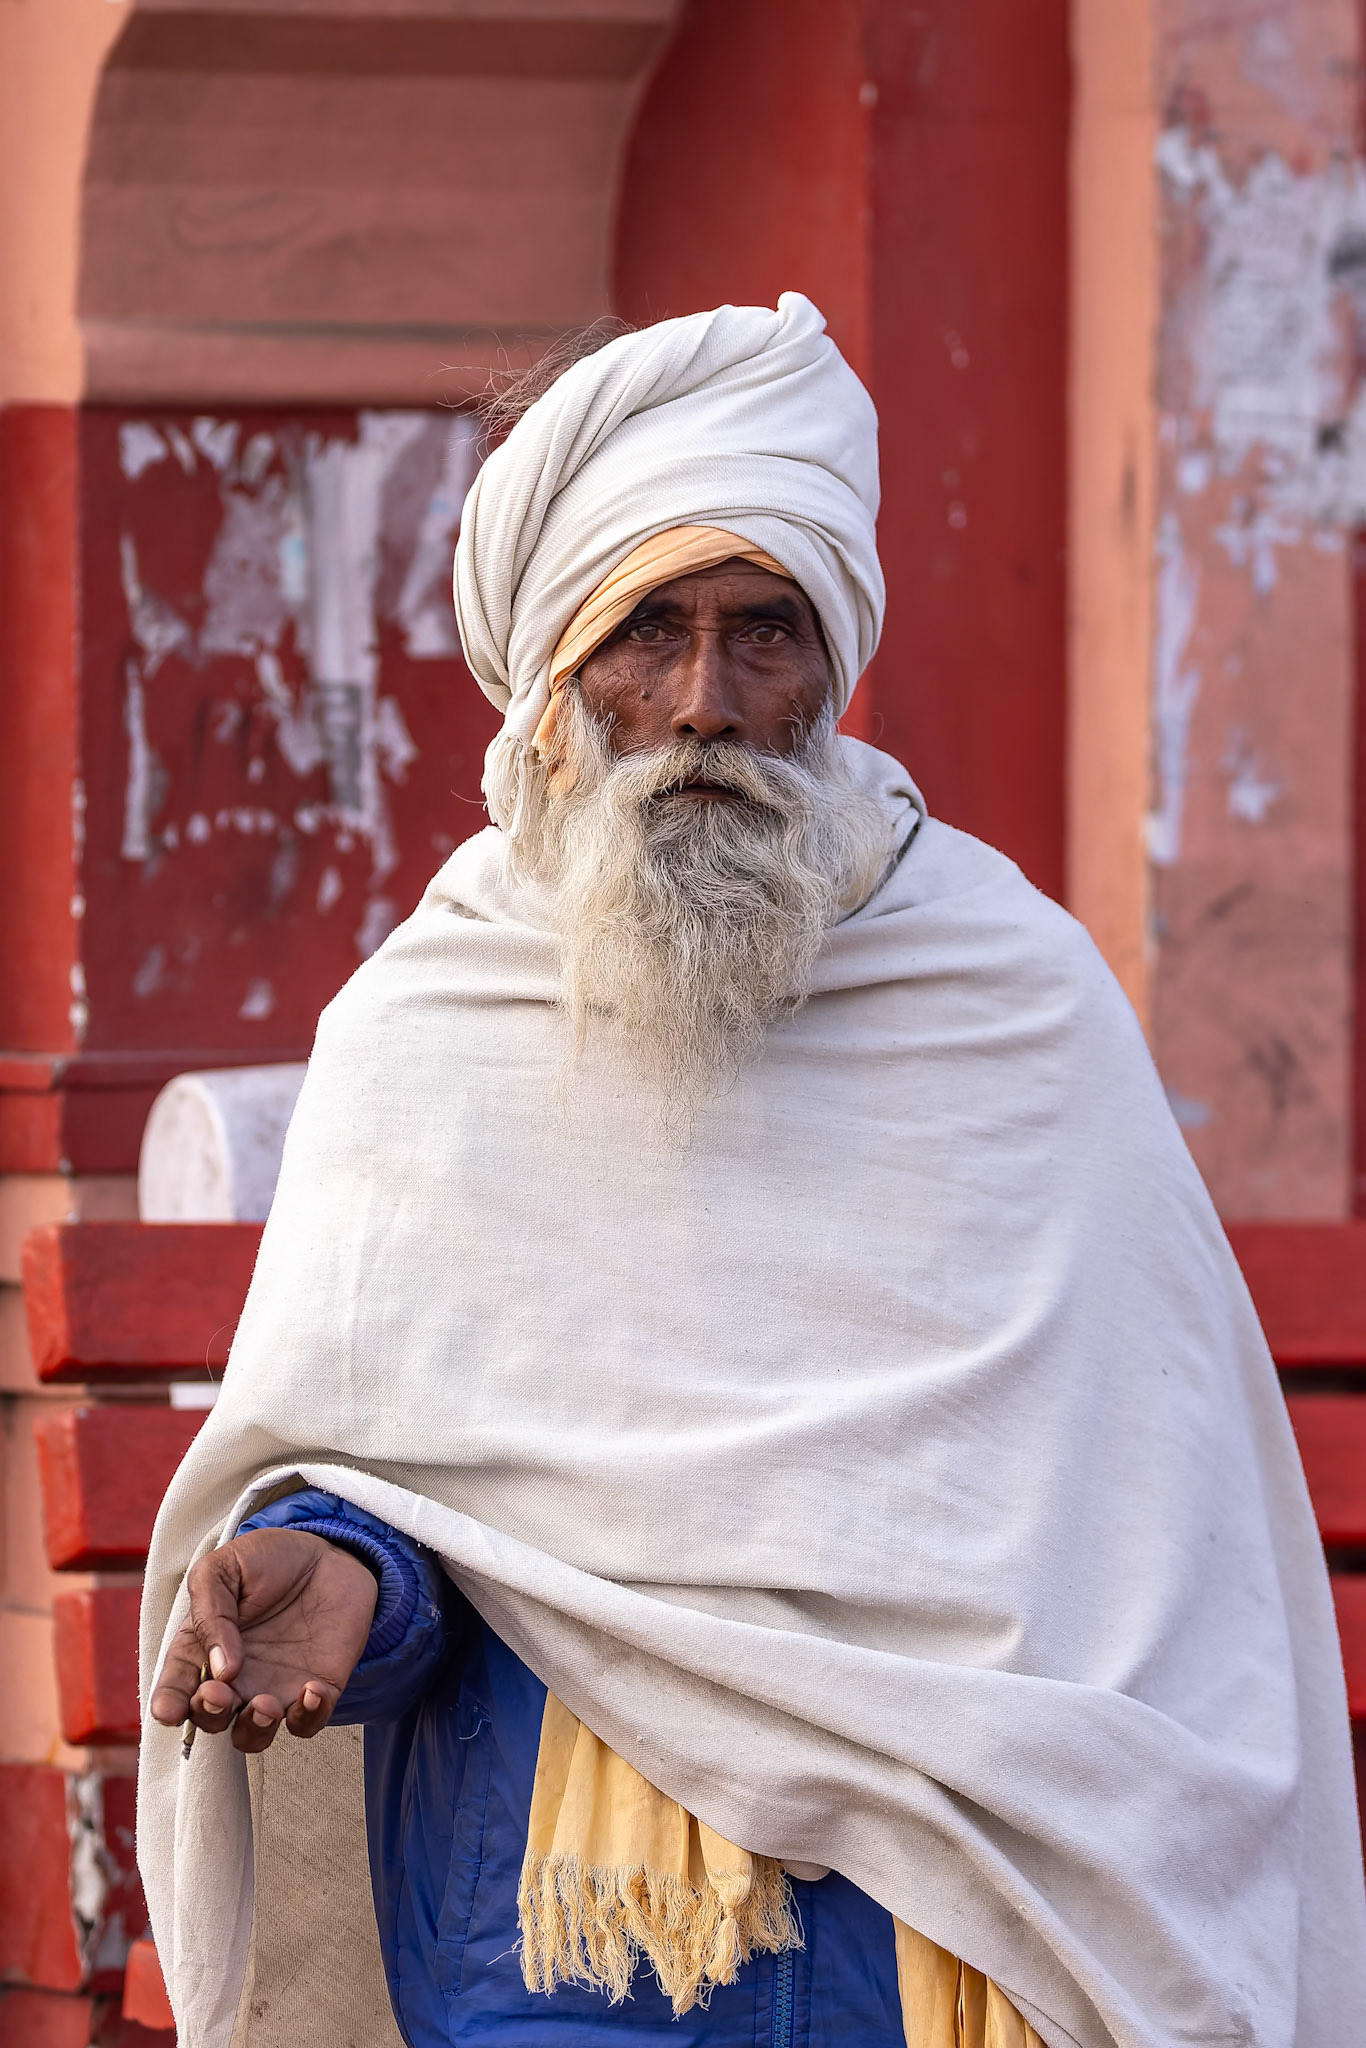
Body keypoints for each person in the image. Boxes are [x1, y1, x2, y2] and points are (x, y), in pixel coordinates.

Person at [139, 295, 1366, 2048]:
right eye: (647, 631)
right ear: (556, 674)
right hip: (558, 1921)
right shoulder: (429, 1028)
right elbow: (403, 1481)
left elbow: (1158, 1546)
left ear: (833, 658)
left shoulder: (1008, 997)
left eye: (762, 634)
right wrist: (339, 1577)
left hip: (980, 1907)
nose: (704, 702)